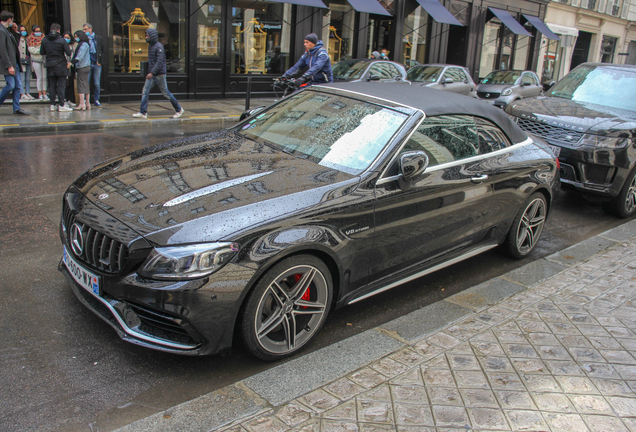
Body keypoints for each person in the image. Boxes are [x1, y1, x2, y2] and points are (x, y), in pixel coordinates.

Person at [132, 28, 184, 119]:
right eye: (146, 35)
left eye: (147, 35)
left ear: (152, 36)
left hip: (159, 74)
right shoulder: (151, 46)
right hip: (152, 74)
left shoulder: (159, 47)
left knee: (165, 93)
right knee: (145, 92)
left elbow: (159, 62)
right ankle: (143, 112)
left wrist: (151, 72)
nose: (146, 37)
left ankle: (179, 109)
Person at [0, 10, 29, 115]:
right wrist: (9, 66)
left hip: (15, 62)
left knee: (17, 86)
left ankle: (16, 108)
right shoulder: (1, 31)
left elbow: (14, 45)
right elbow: (2, 50)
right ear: (9, 19)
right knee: (11, 86)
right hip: (9, 64)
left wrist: (16, 31)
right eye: (12, 20)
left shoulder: (7, 31)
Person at [40, 23, 72, 112]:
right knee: (61, 86)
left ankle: (52, 104)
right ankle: (62, 104)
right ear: (58, 30)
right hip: (60, 64)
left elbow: (42, 52)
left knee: (52, 86)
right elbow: (69, 53)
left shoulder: (45, 39)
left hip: (50, 64)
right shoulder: (62, 40)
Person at [82, 23, 103, 107]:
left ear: (90, 29)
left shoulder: (98, 38)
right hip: (88, 63)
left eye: (85, 29)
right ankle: (85, 100)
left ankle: (96, 99)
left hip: (96, 63)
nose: (84, 31)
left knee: (97, 83)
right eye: (83, 30)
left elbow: (103, 50)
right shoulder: (84, 39)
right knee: (86, 82)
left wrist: (100, 61)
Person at [27, 24, 47, 101]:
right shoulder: (30, 39)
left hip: (43, 59)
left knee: (44, 77)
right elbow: (32, 50)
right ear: (33, 31)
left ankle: (45, 93)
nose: (38, 32)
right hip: (35, 60)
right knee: (39, 77)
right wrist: (41, 51)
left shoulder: (44, 38)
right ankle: (40, 94)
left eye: (39, 31)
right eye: (36, 31)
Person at [72, 30, 90, 110]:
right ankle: (88, 103)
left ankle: (82, 104)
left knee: (81, 85)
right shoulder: (86, 44)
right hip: (86, 66)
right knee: (85, 85)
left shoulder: (83, 45)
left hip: (82, 66)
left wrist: (72, 62)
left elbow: (79, 56)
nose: (76, 38)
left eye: (76, 36)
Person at [18, 24, 33, 100]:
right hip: (21, 60)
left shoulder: (28, 39)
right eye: (21, 30)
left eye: (24, 30)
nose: (23, 32)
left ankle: (27, 92)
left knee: (27, 78)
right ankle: (22, 93)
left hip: (28, 60)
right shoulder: (18, 40)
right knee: (22, 78)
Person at [63, 31, 76, 108]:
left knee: (70, 83)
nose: (66, 39)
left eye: (68, 38)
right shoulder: (61, 46)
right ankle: (64, 99)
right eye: (65, 37)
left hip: (71, 67)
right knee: (65, 84)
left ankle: (70, 100)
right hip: (64, 67)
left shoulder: (72, 46)